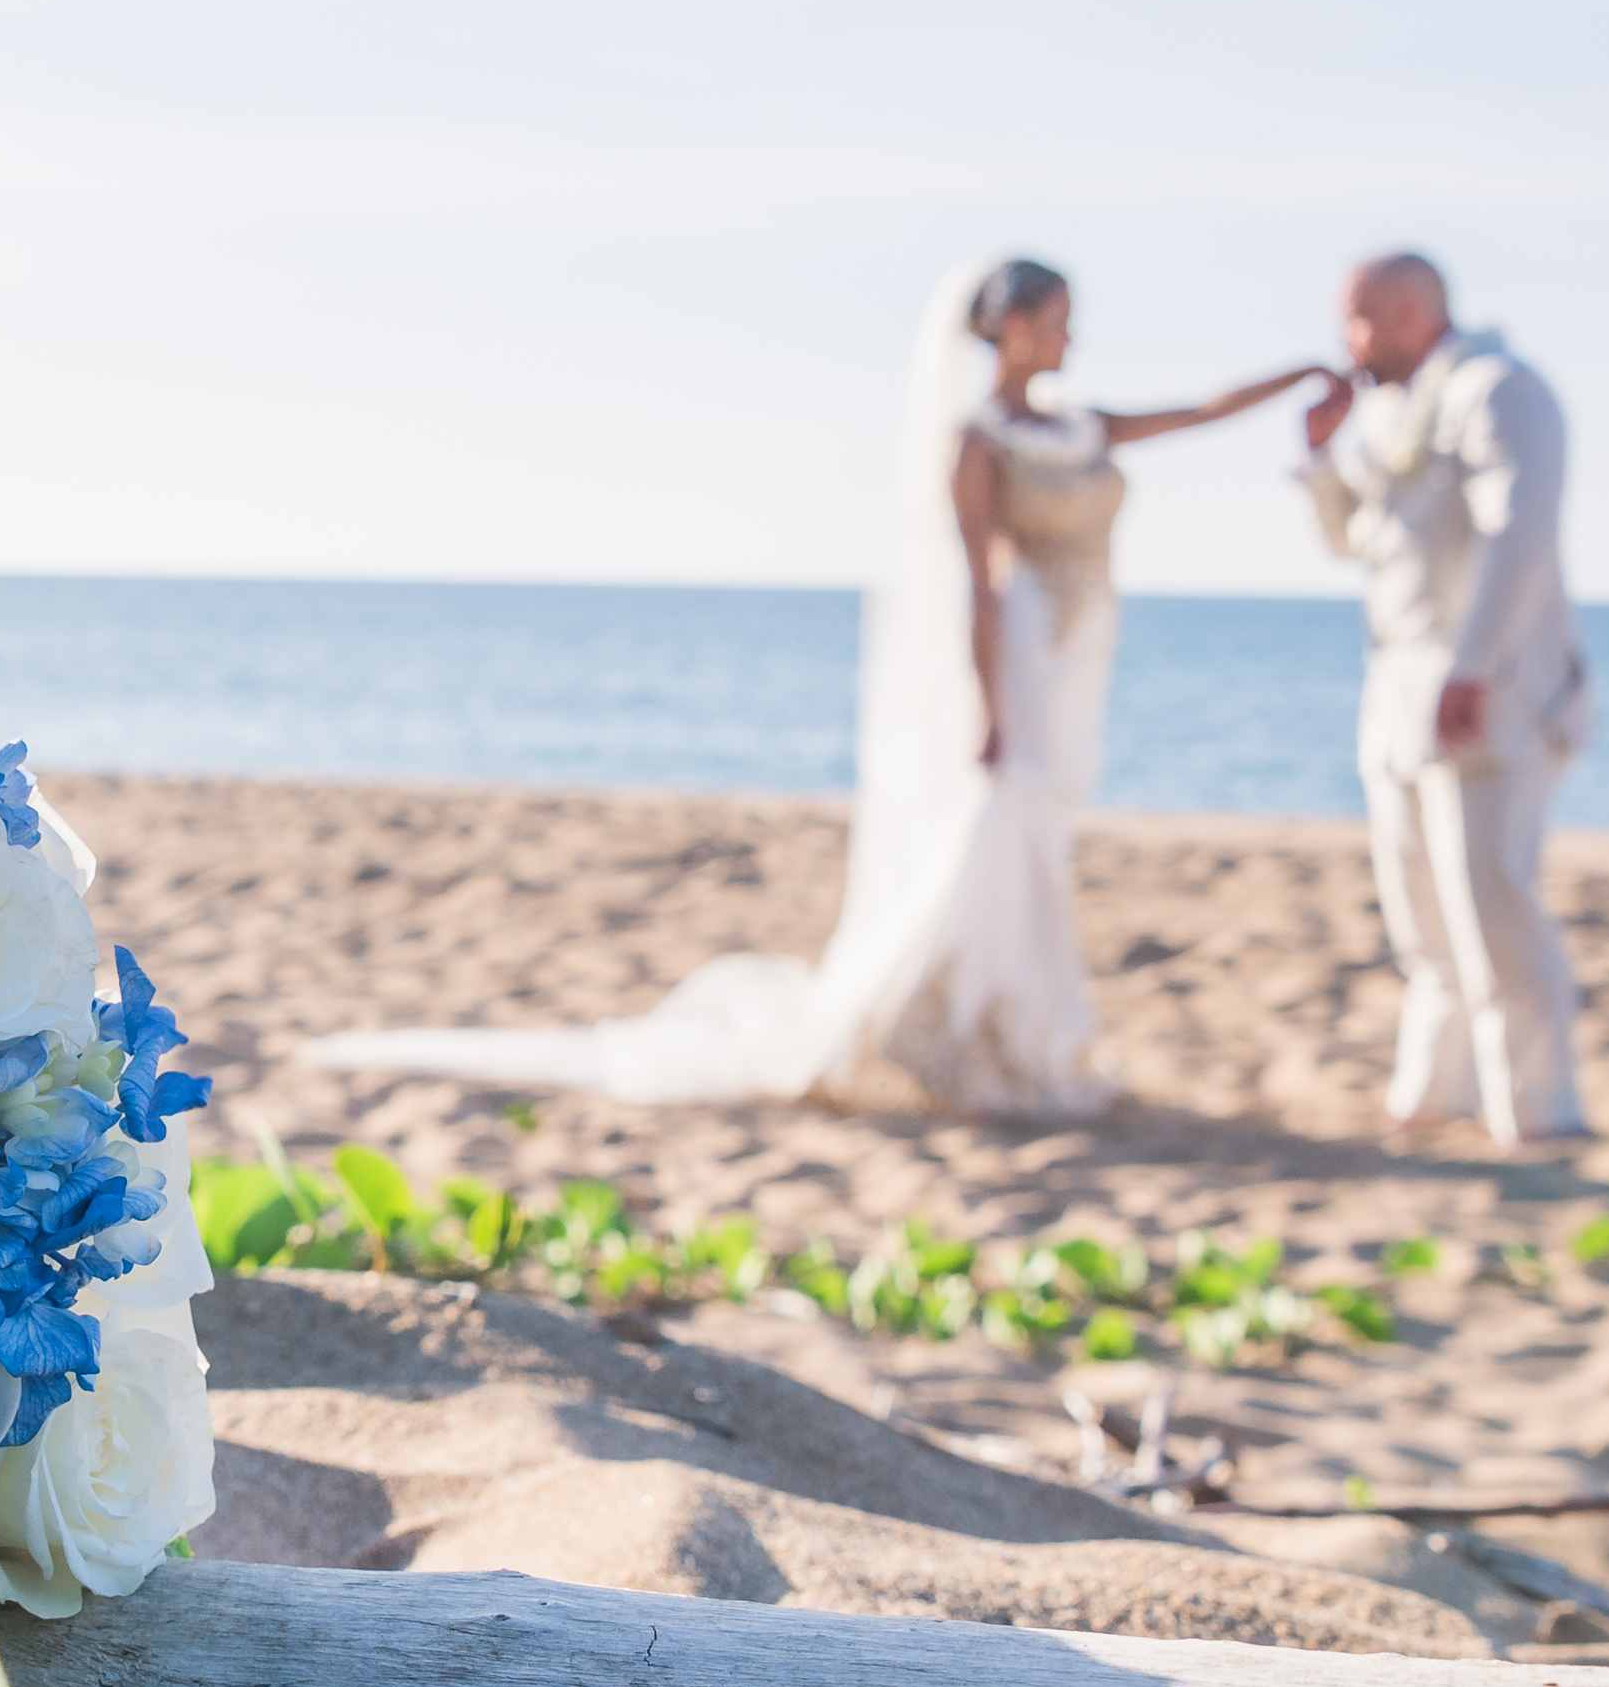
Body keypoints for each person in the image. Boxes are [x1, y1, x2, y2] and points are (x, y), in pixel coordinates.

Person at [307, 258, 1326, 1116]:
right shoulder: (978, 442)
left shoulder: (1080, 423)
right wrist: (986, 703)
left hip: (1078, 651)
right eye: (1057, 321)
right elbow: (974, 580)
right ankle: (966, 1024)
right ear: (1012, 328)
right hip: (1017, 647)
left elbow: (1199, 410)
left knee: (1039, 834)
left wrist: (1306, 377)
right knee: (996, 826)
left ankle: (1019, 1022)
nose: (1072, 338)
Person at [1295, 252, 1591, 1146]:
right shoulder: (1389, 415)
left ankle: (1539, 1112)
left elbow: (1520, 535)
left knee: (1494, 903)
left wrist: (1473, 668)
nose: (1347, 341)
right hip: (1398, 700)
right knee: (1423, 918)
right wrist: (1321, 456)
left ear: (1415, 312)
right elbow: (1354, 543)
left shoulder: (1502, 391)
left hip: (1489, 694)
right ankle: (1433, 1094)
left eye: (1360, 319)